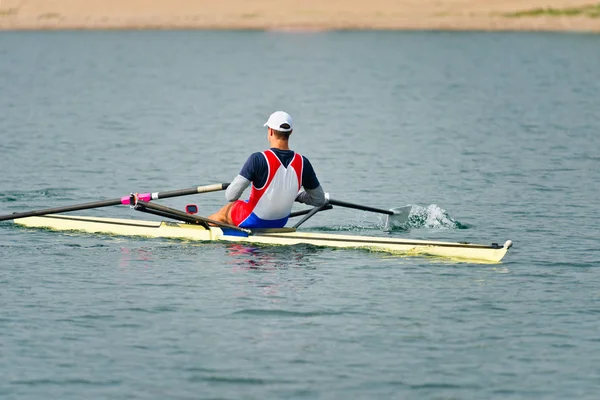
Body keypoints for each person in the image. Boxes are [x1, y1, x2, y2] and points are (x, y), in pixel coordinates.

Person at [208, 111, 326, 228]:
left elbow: (231, 195)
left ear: (270, 131)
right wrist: (297, 194)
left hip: (253, 219)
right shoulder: (303, 162)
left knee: (227, 209)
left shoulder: (258, 159)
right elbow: (319, 200)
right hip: (280, 222)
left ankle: (202, 228)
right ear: (291, 132)